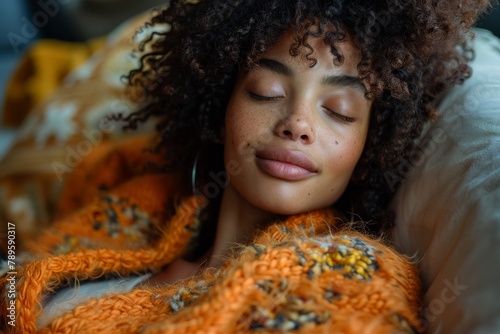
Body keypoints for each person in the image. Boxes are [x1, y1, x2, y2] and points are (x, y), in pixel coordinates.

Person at [0, 0, 489, 332]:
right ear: (221, 106)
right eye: (266, 92)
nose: (297, 123)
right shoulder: (131, 206)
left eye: (339, 109)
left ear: (370, 146)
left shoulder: (356, 277)